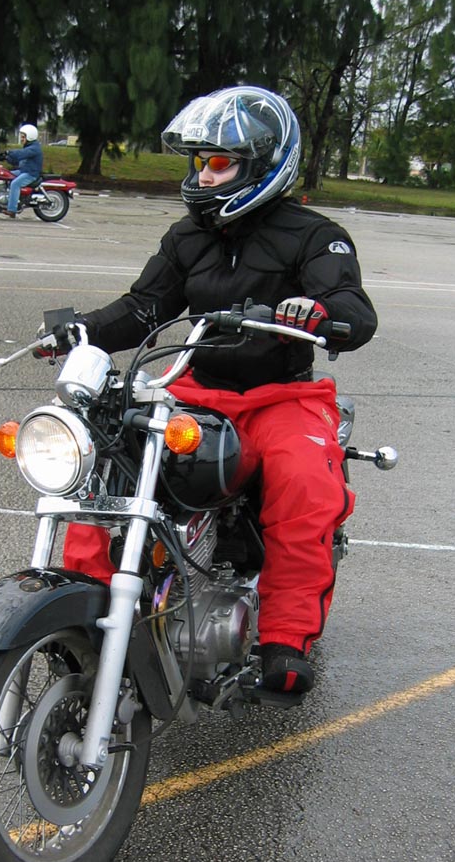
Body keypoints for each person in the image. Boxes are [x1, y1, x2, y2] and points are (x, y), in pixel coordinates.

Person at [55, 86, 377, 693]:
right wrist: (81, 331)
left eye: (220, 163)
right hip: (196, 390)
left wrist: (320, 312)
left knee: (305, 483)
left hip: (280, 399)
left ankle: (285, 638)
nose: (203, 175)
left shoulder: (315, 235)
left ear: (263, 164)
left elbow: (352, 309)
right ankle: (81, 606)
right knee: (107, 454)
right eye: (200, 162)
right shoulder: (188, 236)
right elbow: (144, 307)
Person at [1, 123, 43, 219]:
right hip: (24, 171)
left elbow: (21, 154)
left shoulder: (34, 148)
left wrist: (9, 152)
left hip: (30, 173)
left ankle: (12, 210)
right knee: (6, 175)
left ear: (30, 137)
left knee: (15, 184)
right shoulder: (29, 147)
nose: (21, 139)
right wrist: (5, 158)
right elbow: (17, 160)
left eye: (23, 137)